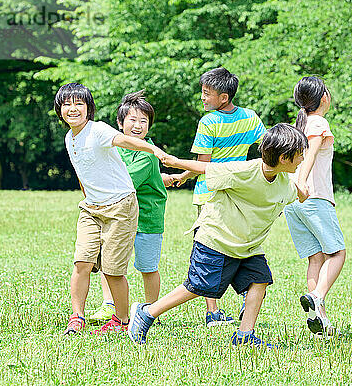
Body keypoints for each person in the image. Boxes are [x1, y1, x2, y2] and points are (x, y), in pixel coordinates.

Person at [127, 124, 309, 347]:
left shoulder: (283, 182)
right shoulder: (243, 171)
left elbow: (298, 194)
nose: (302, 158)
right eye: (300, 154)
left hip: (247, 246)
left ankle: (244, 335)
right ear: (283, 158)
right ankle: (147, 313)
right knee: (197, 286)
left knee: (260, 280)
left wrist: (301, 191)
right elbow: (206, 168)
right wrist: (172, 161)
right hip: (216, 240)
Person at [55, 83, 166, 335]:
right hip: (91, 208)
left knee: (113, 270)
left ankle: (123, 320)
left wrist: (154, 150)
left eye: (79, 104)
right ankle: (77, 317)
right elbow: (82, 173)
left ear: (88, 108)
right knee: (82, 262)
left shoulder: (98, 130)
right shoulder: (69, 137)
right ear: (60, 109)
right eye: (67, 104)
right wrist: (89, 199)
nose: (73, 109)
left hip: (120, 207)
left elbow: (125, 140)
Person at [172, 67, 266, 326]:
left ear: (223, 97)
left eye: (206, 94)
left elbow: (204, 163)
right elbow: (267, 146)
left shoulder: (209, 122)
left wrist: (184, 174)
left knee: (207, 248)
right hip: (238, 193)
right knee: (239, 243)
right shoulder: (250, 117)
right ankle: (247, 295)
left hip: (209, 193)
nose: (202, 98)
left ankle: (212, 310)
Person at [88, 90, 174, 326]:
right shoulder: (114, 146)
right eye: (132, 120)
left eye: (143, 121)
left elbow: (125, 183)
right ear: (120, 123)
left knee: (147, 266)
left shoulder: (147, 155)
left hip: (146, 216)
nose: (138, 126)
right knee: (110, 261)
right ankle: (109, 305)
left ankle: (151, 310)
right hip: (119, 215)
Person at [283, 76, 346, 338]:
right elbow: (310, 155)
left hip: (293, 203)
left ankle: (319, 319)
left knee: (316, 258)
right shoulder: (318, 122)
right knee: (338, 253)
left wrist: (294, 186)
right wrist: (301, 182)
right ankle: (317, 296)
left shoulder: (298, 124)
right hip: (313, 197)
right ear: (323, 98)